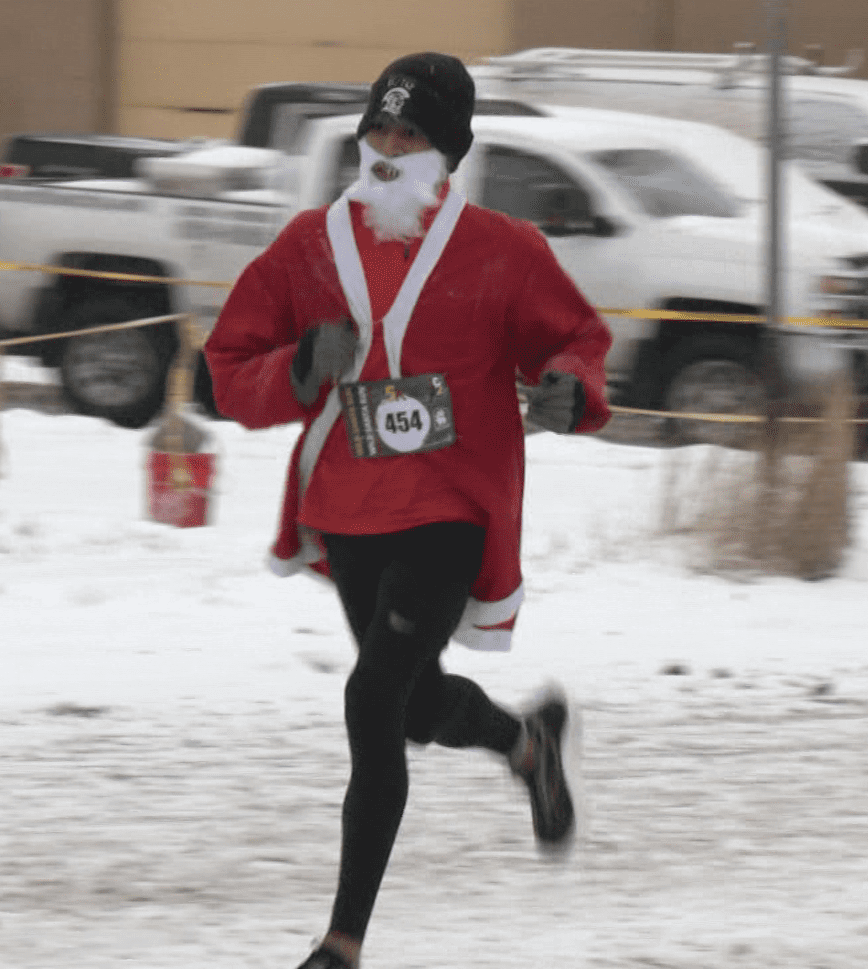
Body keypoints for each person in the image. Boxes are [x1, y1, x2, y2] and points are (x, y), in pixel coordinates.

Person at [202, 52, 613, 969]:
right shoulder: (310, 246)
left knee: (373, 694)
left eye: (413, 134)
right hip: (348, 507)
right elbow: (227, 369)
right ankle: (525, 745)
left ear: (450, 152)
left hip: (450, 507)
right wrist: (301, 366)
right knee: (415, 706)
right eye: (378, 131)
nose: (390, 149)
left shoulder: (505, 252)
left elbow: (577, 345)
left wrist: (567, 391)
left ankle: (342, 943)